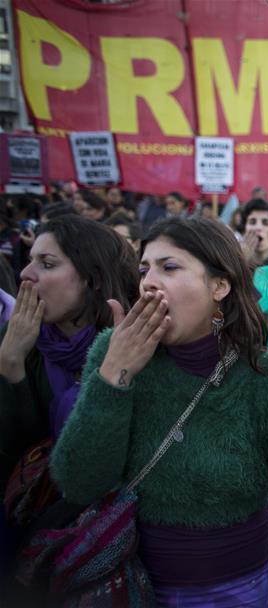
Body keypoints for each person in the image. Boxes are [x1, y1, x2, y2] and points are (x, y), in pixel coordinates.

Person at [48, 217, 268, 607]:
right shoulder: (113, 352)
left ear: (219, 285)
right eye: (144, 269)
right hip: (125, 584)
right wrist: (114, 375)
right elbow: (77, 482)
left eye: (170, 267)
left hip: (235, 591)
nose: (148, 281)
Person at [0, 216, 140, 594]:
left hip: (108, 543)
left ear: (92, 278)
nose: (26, 274)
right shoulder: (15, 342)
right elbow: (17, 457)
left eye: (47, 264)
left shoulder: (133, 344)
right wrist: (11, 365)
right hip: (27, 537)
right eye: (29, 260)